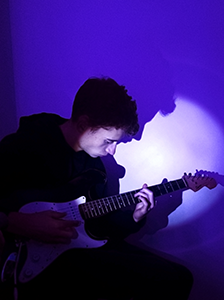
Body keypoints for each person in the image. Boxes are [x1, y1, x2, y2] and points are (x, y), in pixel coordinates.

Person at [0, 77, 193, 300]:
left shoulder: (95, 167)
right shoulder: (26, 145)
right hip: (24, 258)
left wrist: (136, 216)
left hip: (72, 250)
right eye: (109, 141)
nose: (112, 152)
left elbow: (101, 227)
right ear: (83, 124)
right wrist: (17, 222)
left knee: (180, 277)